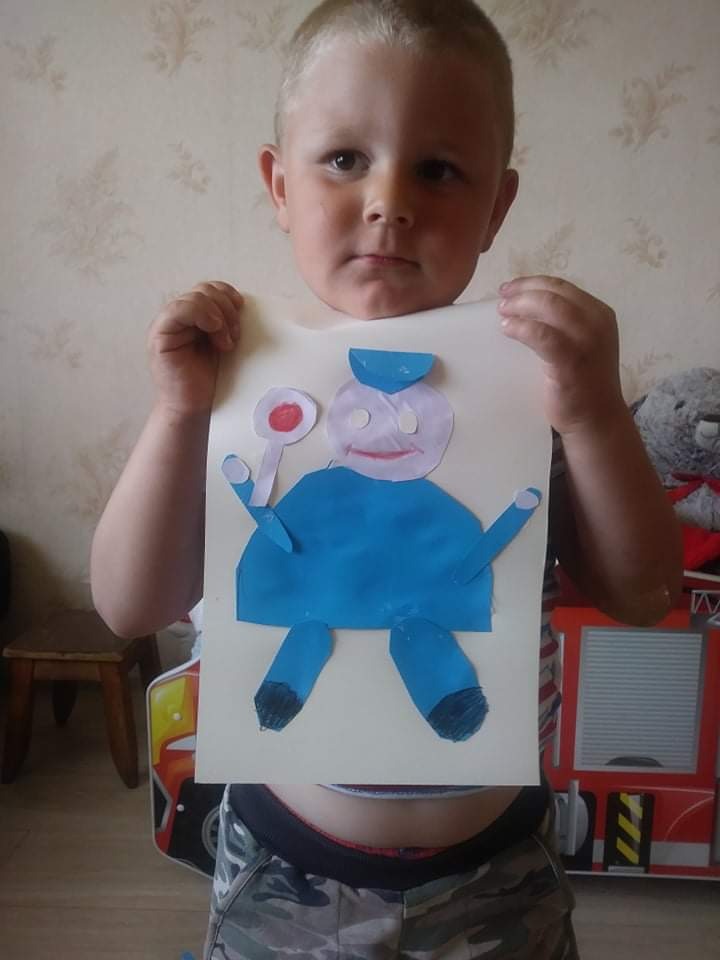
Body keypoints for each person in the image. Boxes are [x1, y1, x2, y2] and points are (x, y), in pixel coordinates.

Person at [91, 1, 682, 957]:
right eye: (343, 159)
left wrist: (597, 413)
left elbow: (645, 593)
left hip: (495, 870)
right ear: (278, 185)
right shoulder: (230, 388)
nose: (389, 200)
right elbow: (127, 604)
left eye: (438, 169)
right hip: (284, 866)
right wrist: (176, 414)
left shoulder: (536, 390)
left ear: (497, 207)